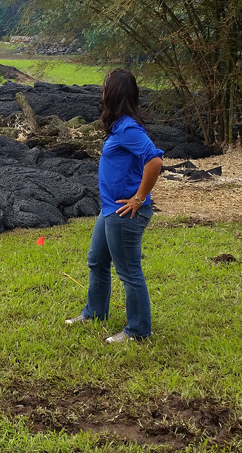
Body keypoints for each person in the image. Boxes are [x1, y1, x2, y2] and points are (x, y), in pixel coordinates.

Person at [65, 68, 164, 343]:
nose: (102, 92)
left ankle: (138, 330)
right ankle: (95, 313)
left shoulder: (129, 128)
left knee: (130, 271)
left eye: (105, 88)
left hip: (125, 213)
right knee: (97, 261)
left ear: (115, 93)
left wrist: (139, 198)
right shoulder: (120, 125)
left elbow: (154, 161)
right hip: (109, 209)